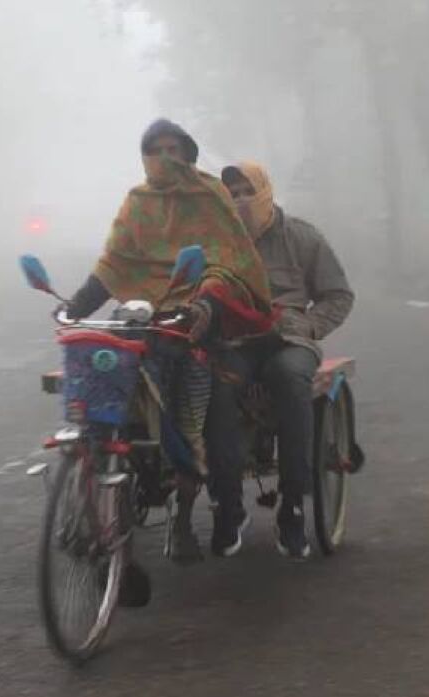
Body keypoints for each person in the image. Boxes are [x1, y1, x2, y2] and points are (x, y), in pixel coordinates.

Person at [59, 120, 276, 566]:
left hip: (197, 327)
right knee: (102, 402)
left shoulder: (210, 197)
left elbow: (227, 262)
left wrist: (206, 305)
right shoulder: (138, 203)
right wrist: (77, 304)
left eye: (173, 148)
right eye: (155, 149)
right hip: (142, 324)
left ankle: (184, 519)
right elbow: (115, 262)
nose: (164, 157)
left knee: (188, 424)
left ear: (189, 153)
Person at [217, 161, 355, 560]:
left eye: (248, 191)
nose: (242, 200)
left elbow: (338, 295)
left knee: (291, 380)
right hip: (237, 342)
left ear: (265, 191)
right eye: (233, 193)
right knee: (218, 384)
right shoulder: (219, 244)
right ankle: (228, 502)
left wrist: (309, 326)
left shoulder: (301, 237)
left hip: (290, 341)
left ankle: (293, 505)